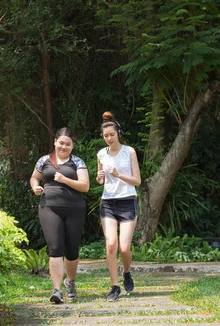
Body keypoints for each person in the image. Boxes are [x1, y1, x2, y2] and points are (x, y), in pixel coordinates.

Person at [30, 127, 90, 304]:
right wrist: (35, 187)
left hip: (74, 209)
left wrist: (65, 180)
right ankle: (57, 290)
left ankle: (70, 282)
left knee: (72, 250)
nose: (64, 147)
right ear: (55, 142)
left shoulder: (77, 162)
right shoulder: (44, 160)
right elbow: (34, 178)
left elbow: (85, 186)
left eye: (68, 144)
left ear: (72, 146)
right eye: (61, 143)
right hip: (49, 207)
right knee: (55, 247)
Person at [96, 112, 141, 302]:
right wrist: (100, 177)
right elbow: (100, 179)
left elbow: (137, 181)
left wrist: (118, 173)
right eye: (105, 136)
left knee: (124, 248)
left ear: (118, 133)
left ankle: (127, 272)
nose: (109, 139)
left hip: (128, 200)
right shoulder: (100, 154)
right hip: (108, 202)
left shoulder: (129, 151)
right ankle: (115, 286)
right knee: (111, 244)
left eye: (111, 135)